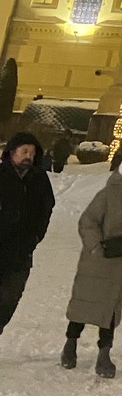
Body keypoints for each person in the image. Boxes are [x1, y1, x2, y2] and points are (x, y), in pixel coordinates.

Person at [60, 151, 122, 377]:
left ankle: (104, 354)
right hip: (97, 262)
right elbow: (87, 221)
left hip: (121, 264)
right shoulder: (107, 194)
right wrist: (96, 247)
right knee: (84, 305)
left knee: (110, 309)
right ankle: (70, 344)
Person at [0, 130, 56, 337]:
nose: (28, 157)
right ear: (12, 152)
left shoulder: (39, 179)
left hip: (21, 252)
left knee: (10, 299)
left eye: (32, 153)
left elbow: (46, 209)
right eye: (24, 151)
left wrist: (36, 236)